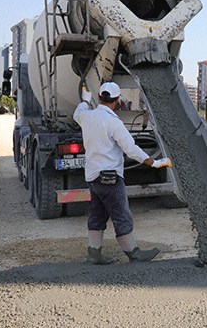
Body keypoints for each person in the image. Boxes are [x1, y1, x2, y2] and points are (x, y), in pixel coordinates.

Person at [74, 82, 173, 265]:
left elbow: (77, 113)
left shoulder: (86, 116)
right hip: (110, 179)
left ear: (99, 96)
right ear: (118, 100)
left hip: (93, 178)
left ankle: (94, 254)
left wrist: (86, 100)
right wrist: (154, 162)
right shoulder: (113, 122)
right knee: (121, 215)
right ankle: (134, 254)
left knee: (97, 215)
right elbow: (131, 150)